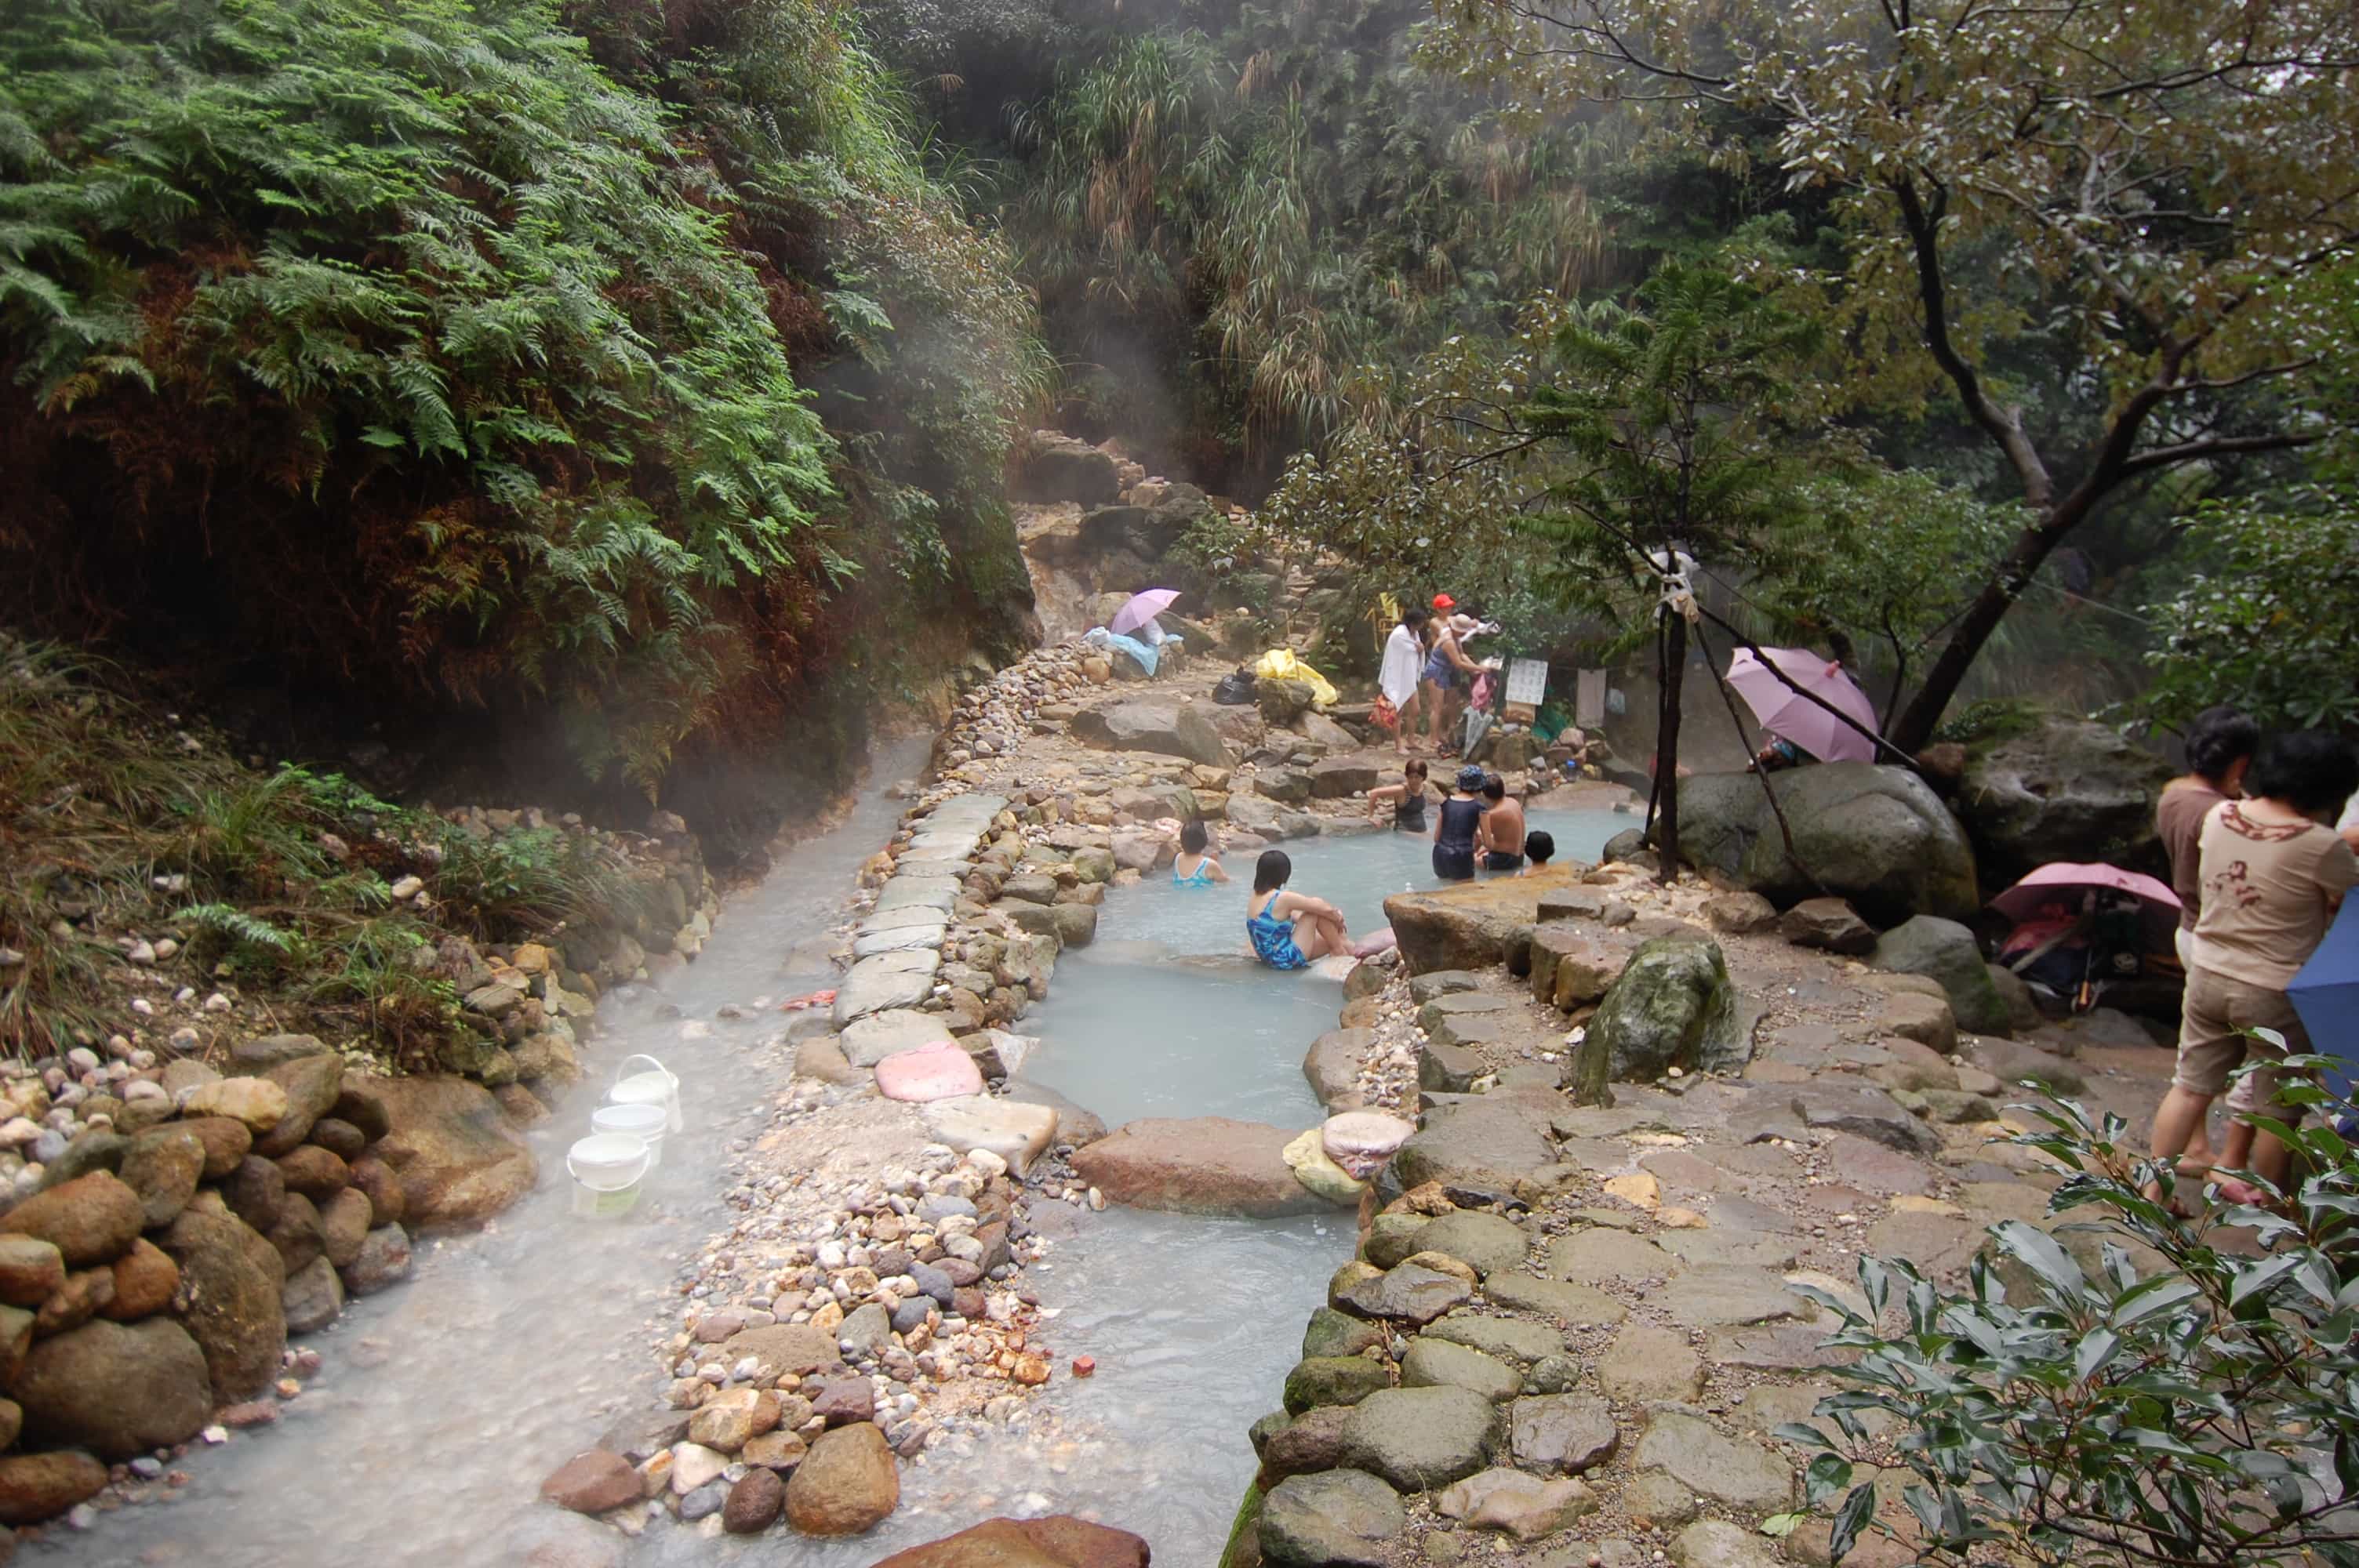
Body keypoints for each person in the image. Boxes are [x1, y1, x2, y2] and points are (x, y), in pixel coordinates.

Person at [2149, 731, 2359, 1207]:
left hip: (2208, 974)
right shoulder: (2320, 845)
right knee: (2277, 1111)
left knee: (2189, 1089)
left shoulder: (2219, 816)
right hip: (2274, 990)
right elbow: (2345, 896)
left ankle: (2150, 1193)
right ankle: (2273, 1218)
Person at [2155, 706, 2259, 1173]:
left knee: (2193, 1056)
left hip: (2188, 929)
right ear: (2239, 763)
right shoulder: (2224, 815)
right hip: (2220, 938)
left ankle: (2194, 1148)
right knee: (2240, 1060)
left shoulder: (2173, 799)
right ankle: (2231, 1158)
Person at [1245, 850, 1351, 968]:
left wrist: (1331, 918)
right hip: (1284, 959)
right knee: (1314, 912)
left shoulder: (1255, 896)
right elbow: (1322, 908)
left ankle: (1352, 954)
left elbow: (1295, 915)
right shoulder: (1282, 897)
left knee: (1337, 937)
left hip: (1271, 959)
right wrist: (1337, 918)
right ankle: (1339, 952)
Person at [1420, 615, 1492, 757]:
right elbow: (1458, 663)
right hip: (1436, 671)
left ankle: (1438, 735)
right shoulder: (1449, 642)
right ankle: (1433, 739)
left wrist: (1476, 667)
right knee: (1437, 707)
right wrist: (1478, 669)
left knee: (1443, 705)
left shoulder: (1454, 637)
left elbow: (1462, 655)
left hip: (1443, 671)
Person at [1379, 608, 1429, 757]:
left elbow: (1416, 650)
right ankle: (1398, 745)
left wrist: (1420, 649)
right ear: (1414, 623)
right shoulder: (1399, 635)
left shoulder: (1415, 634)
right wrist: (1418, 649)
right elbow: (1407, 651)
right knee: (1398, 712)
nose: (1423, 626)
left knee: (1415, 709)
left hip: (1409, 677)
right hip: (1397, 678)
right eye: (1421, 623)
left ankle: (1411, 740)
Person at [1432, 764, 1486, 881]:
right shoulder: (1480, 808)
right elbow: (1487, 842)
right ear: (1480, 787)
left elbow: (1436, 838)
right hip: (1462, 856)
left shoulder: (1446, 804)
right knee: (1464, 896)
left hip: (1439, 854)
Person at [1367, 758, 1435, 831]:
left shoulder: (1424, 787)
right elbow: (1374, 793)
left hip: (1421, 832)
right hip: (1404, 833)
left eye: (1417, 777)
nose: (1413, 780)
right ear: (1406, 776)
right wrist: (1370, 817)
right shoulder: (1401, 790)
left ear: (1423, 777)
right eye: (1410, 777)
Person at [1477, 773, 1526, 872]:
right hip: (1520, 857)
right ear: (1503, 789)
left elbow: (1486, 843)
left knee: (1472, 859)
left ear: (1486, 795)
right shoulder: (1514, 802)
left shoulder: (1492, 814)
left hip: (1506, 860)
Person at [1171, 819, 1228, 886]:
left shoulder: (1178, 858)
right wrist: (1215, 862)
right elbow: (1226, 883)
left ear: (1182, 841)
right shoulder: (1210, 864)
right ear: (1204, 840)